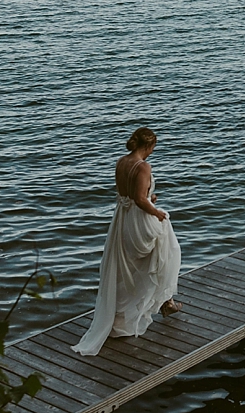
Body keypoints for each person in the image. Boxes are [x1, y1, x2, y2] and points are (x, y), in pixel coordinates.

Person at [73, 126, 182, 356]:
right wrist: (157, 212)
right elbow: (141, 201)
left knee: (126, 268)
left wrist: (147, 199)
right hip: (138, 219)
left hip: (121, 218)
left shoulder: (121, 162)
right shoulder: (143, 166)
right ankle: (166, 302)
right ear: (148, 146)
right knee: (166, 251)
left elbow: (128, 195)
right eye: (153, 148)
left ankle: (126, 315)